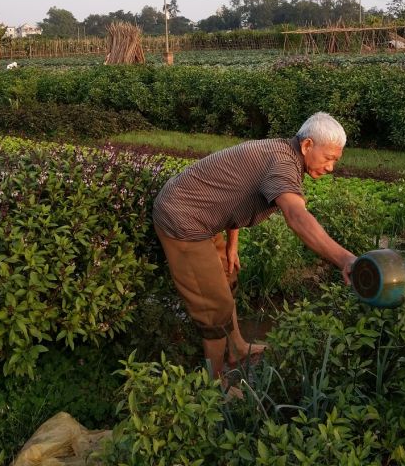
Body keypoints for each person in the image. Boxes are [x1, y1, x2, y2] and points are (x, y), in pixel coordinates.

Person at [152, 112, 357, 387]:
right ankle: (215, 385)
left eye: (336, 160)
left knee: (228, 276)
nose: (331, 167)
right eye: (329, 158)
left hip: (202, 214)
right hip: (183, 219)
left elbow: (233, 193)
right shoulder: (283, 163)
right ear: (307, 146)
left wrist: (232, 246)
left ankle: (236, 349)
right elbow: (297, 217)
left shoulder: (281, 152)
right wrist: (346, 260)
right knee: (215, 308)